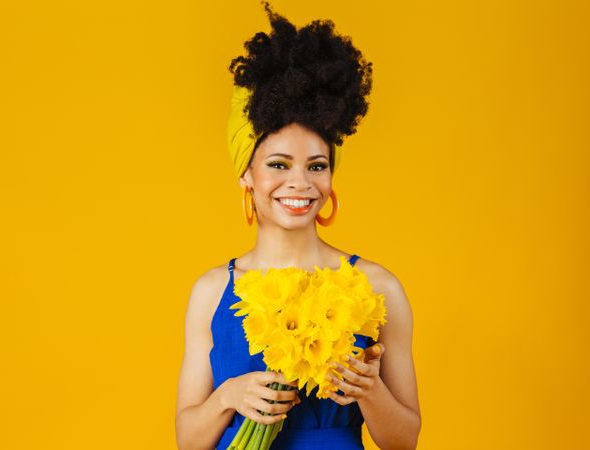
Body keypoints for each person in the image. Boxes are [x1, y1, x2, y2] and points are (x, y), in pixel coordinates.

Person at [175, 2, 420, 449]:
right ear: (246, 175)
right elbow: (188, 441)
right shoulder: (211, 292)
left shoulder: (377, 287)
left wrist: (369, 389)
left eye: (317, 165)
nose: (300, 184)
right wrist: (230, 395)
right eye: (278, 164)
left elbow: (404, 441)